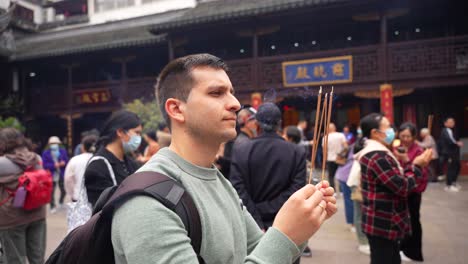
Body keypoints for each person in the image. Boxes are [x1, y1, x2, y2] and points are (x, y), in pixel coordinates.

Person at [110, 54, 337, 264]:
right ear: (177, 109)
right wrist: (285, 234)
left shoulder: (217, 180)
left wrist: (300, 226)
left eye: (231, 92)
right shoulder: (148, 202)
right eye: (216, 93)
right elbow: (271, 250)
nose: (236, 104)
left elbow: (259, 249)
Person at [231, 103, 308, 263]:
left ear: (257, 122)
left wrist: (257, 217)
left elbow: (238, 189)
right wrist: (268, 209)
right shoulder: (296, 152)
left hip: (251, 224)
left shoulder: (241, 150)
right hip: (287, 224)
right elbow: (296, 190)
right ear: (280, 123)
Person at [355, 113, 432, 264]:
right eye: (388, 126)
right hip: (383, 222)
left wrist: (408, 163)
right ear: (375, 133)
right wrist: (416, 166)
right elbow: (402, 187)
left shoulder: (379, 152)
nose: (392, 130)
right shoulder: (377, 156)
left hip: (383, 220)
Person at [0, 128, 46, 264]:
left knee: (15, 260)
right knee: (37, 259)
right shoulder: (36, 158)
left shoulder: (2, 163)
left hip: (12, 218)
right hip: (37, 213)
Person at [84, 110, 142, 206]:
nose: (139, 138)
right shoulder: (97, 167)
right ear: (120, 132)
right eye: (137, 132)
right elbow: (103, 208)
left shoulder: (131, 163)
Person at [394, 122, 428, 262]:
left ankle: (413, 252)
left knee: (413, 221)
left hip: (413, 191)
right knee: (401, 221)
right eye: (403, 136)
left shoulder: (419, 151)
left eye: (408, 136)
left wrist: (407, 161)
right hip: (400, 190)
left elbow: (421, 173)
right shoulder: (397, 147)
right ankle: (402, 248)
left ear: (414, 136)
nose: (405, 139)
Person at [64, 135, 98, 202]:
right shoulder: (100, 159)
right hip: (97, 199)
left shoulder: (75, 160)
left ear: (83, 147)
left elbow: (68, 179)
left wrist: (72, 194)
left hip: (78, 197)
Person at [42, 136, 69, 213]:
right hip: (51, 174)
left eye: (55, 143)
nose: (54, 144)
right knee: (51, 191)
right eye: (52, 143)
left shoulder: (63, 151)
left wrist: (63, 163)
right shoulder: (45, 153)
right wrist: (54, 165)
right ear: (49, 144)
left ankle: (61, 202)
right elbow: (44, 165)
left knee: (64, 190)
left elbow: (67, 160)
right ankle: (52, 206)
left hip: (61, 173)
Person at [438, 117, 463, 192]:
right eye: (450, 122)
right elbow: (449, 139)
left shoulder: (452, 130)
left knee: (457, 166)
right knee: (451, 168)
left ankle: (454, 182)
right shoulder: (445, 130)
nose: (452, 123)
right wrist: (456, 143)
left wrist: (456, 143)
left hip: (454, 152)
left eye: (453, 121)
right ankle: (449, 185)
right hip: (448, 152)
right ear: (445, 123)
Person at [324, 123, 348, 189]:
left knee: (331, 175)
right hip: (340, 159)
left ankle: (333, 190)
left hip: (330, 158)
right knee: (341, 174)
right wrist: (342, 155)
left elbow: (325, 150)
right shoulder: (341, 135)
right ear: (334, 128)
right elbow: (346, 147)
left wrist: (325, 159)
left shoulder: (325, 137)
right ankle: (341, 190)